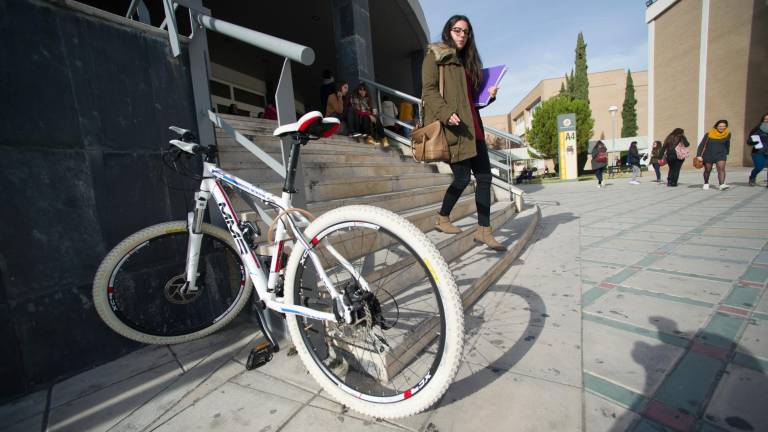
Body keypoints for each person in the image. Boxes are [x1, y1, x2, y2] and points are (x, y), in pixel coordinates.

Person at [423, 14, 505, 251]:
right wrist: (446, 112)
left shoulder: (467, 62)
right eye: (457, 30)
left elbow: (472, 101)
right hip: (453, 127)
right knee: (461, 178)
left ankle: (484, 231)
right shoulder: (435, 55)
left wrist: (489, 96)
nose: (461, 35)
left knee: (485, 178)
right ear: (448, 31)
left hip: (474, 127)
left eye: (465, 32)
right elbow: (428, 90)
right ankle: (442, 217)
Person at [696, 119, 731, 190]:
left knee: (721, 169)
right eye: (720, 126)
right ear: (716, 126)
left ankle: (721, 184)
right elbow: (702, 145)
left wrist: (726, 152)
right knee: (707, 170)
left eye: (724, 126)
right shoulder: (709, 134)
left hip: (721, 154)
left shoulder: (728, 134)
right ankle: (706, 182)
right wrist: (699, 155)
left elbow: (727, 144)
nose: (722, 128)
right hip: (709, 154)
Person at [747, 112, 768, 186]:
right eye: (765, 119)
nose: (767, 120)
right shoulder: (757, 129)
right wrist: (754, 142)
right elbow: (749, 141)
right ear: (762, 120)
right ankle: (752, 177)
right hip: (758, 152)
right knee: (759, 167)